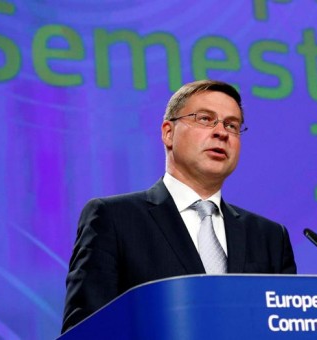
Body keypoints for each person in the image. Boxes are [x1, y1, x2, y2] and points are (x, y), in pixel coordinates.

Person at [62, 80, 297, 333]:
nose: (222, 132)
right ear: (168, 133)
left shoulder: (270, 238)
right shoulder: (113, 218)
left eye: (232, 125)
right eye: (205, 119)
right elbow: (85, 330)